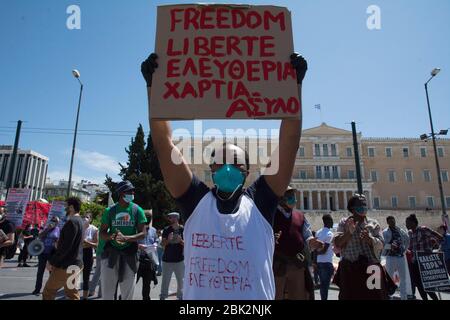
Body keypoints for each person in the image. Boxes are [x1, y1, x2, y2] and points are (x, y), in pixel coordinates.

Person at [142, 49, 307, 300]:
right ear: (211, 171)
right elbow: (165, 145)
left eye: (235, 162)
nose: (227, 167)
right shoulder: (194, 200)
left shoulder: (262, 199)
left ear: (247, 172)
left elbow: (289, 142)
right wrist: (154, 89)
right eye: (220, 163)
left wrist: (294, 87)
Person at [333, 194, 391, 300]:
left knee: (375, 297)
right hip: (351, 269)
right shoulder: (344, 223)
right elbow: (337, 243)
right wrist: (349, 233)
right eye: (360, 204)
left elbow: (381, 244)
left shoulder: (373, 223)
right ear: (352, 208)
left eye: (365, 204)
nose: (363, 206)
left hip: (372, 268)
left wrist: (370, 239)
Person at [273, 186, 323, 300]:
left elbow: (307, 235)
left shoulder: (300, 215)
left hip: (297, 263)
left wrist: (312, 242)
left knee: (298, 295)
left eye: (294, 197)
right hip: (277, 264)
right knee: (276, 295)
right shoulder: (271, 214)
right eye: (290, 197)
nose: (294, 200)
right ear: (282, 199)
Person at [99, 180, 147, 300]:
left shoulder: (137, 210)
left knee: (128, 291)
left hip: (130, 253)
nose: (132, 193)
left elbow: (143, 233)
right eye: (129, 191)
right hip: (111, 253)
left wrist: (127, 238)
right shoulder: (110, 211)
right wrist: (110, 236)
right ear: (121, 194)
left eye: (132, 191)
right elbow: (102, 232)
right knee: (107, 290)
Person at [42, 197, 84, 300]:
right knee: (72, 293)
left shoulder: (72, 222)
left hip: (66, 266)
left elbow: (66, 247)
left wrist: (52, 261)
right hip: (76, 264)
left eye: (66, 206)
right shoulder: (80, 221)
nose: (64, 208)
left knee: (48, 292)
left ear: (72, 207)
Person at [406, 214, 442, 300]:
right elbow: (411, 247)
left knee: (428, 285)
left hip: (424, 262)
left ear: (414, 223)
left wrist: (431, 248)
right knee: (419, 285)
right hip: (414, 263)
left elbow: (439, 237)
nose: (406, 225)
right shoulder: (410, 233)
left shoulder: (423, 229)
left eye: (408, 223)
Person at [382, 216, 411, 300]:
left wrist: (404, 250)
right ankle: (389, 296)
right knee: (389, 278)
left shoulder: (400, 230)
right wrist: (390, 246)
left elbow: (407, 239)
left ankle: (404, 297)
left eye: (393, 220)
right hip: (390, 257)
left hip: (400, 257)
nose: (392, 222)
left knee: (403, 278)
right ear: (388, 223)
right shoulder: (385, 232)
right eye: (390, 221)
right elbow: (383, 244)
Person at [32, 216, 61, 295]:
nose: (53, 222)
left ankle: (51, 289)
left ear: (58, 223)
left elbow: (59, 241)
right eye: (52, 220)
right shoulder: (46, 228)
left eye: (55, 221)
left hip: (52, 253)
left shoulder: (58, 230)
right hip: (43, 252)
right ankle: (37, 289)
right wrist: (47, 229)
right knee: (40, 272)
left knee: (51, 272)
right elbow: (40, 236)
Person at [159, 212, 184, 300]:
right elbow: (162, 244)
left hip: (179, 260)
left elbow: (188, 244)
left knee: (181, 282)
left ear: (176, 218)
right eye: (169, 218)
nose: (170, 219)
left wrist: (181, 241)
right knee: (165, 281)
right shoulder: (166, 229)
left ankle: (181, 297)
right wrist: (168, 240)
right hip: (167, 260)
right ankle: (163, 297)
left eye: (171, 218)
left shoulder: (183, 229)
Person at [137, 210, 159, 300]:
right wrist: (139, 246)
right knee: (132, 283)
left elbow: (156, 240)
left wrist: (155, 245)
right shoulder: (136, 229)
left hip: (149, 260)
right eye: (146, 217)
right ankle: (123, 297)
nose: (148, 220)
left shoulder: (153, 230)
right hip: (138, 260)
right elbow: (130, 242)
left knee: (147, 285)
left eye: (150, 218)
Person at [316, 214, 335, 300]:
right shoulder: (330, 234)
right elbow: (324, 250)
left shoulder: (318, 232)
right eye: (331, 221)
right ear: (327, 221)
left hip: (319, 262)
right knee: (325, 286)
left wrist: (316, 253)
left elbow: (316, 248)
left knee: (322, 285)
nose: (332, 222)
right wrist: (319, 252)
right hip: (327, 262)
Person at [89, 213, 105, 298]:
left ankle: (91, 291)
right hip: (105, 253)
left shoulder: (100, 227)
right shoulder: (109, 228)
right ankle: (100, 293)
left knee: (97, 272)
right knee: (104, 274)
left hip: (99, 252)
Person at [81, 213, 97, 299]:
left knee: (86, 276)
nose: (84, 219)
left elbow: (96, 244)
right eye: (83, 217)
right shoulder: (78, 227)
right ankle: (72, 295)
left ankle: (84, 296)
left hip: (88, 253)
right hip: (78, 253)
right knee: (73, 274)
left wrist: (86, 243)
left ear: (90, 219)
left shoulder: (94, 229)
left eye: (87, 217)